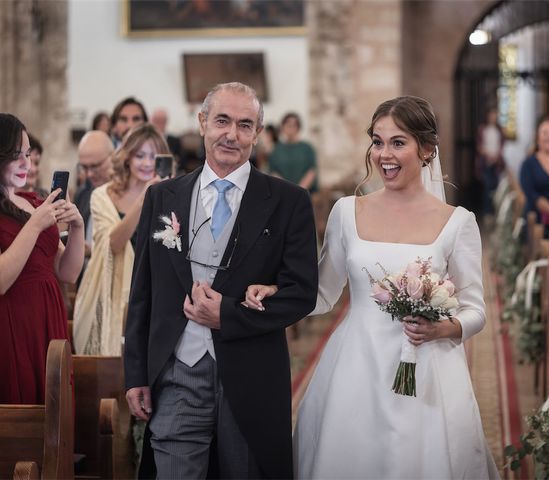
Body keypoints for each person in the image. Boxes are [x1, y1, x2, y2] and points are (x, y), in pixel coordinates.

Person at [245, 96, 499, 478]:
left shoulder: (457, 222)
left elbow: (475, 310)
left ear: (427, 150)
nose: (384, 154)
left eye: (398, 142)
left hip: (428, 369)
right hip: (356, 364)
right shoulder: (347, 212)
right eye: (377, 142)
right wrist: (276, 292)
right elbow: (323, 292)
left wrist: (442, 328)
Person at [123, 82, 318, 479]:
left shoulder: (287, 201)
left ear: (258, 133)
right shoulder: (163, 197)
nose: (232, 134)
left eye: (245, 125)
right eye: (222, 121)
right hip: (178, 371)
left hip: (252, 377)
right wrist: (137, 374)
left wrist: (227, 315)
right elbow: (142, 291)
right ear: (202, 123)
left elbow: (301, 293)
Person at [0, 113, 84, 403]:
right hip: (14, 320)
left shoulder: (35, 201)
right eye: (16, 156)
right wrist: (35, 224)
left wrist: (77, 226)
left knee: (54, 406)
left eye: (28, 155)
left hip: (49, 314)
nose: (27, 164)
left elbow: (67, 272)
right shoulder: (36, 213)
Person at [73, 124, 169, 355]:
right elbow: (112, 243)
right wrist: (145, 196)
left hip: (155, 294)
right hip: (115, 297)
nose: (147, 163)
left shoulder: (171, 194)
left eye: (154, 157)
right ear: (127, 158)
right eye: (140, 156)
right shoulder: (103, 195)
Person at [268, 112, 318, 193]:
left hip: (304, 194)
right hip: (283, 194)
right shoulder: (277, 150)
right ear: (283, 127)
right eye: (288, 125)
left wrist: (300, 190)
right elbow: (273, 172)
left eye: (293, 125)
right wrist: (288, 190)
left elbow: (311, 171)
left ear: (298, 127)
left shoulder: (307, 148)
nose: (290, 128)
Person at [475, 106, 505, 215]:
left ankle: (496, 213)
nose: (493, 117)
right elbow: (479, 146)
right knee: (487, 188)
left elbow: (501, 146)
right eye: (491, 115)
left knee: (496, 188)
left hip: (497, 163)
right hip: (486, 162)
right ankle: (487, 213)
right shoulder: (483, 129)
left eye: (495, 115)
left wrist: (497, 156)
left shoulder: (499, 131)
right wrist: (488, 155)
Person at [150, 107, 184, 173]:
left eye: (162, 121)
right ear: (152, 121)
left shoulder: (175, 141)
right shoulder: (146, 141)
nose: (159, 124)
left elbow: (182, 162)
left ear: (166, 122)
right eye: (157, 121)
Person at [18, 133, 48, 199]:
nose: (33, 169)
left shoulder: (45, 196)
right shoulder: (5, 201)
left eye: (37, 163)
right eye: (29, 161)